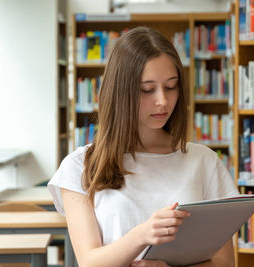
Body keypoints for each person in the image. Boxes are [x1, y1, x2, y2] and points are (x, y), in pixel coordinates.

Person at [48, 26, 238, 267]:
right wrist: (143, 235)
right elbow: (89, 262)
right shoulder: (80, 166)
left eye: (171, 86)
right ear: (120, 92)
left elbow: (225, 263)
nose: (163, 101)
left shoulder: (204, 161)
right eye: (147, 90)